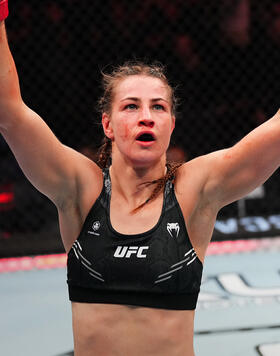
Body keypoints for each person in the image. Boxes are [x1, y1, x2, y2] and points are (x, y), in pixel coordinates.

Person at [1, 2, 280, 355]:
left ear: (171, 125)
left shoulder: (195, 191)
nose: (146, 117)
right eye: (131, 106)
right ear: (108, 124)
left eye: (158, 107)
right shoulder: (81, 190)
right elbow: (8, 111)